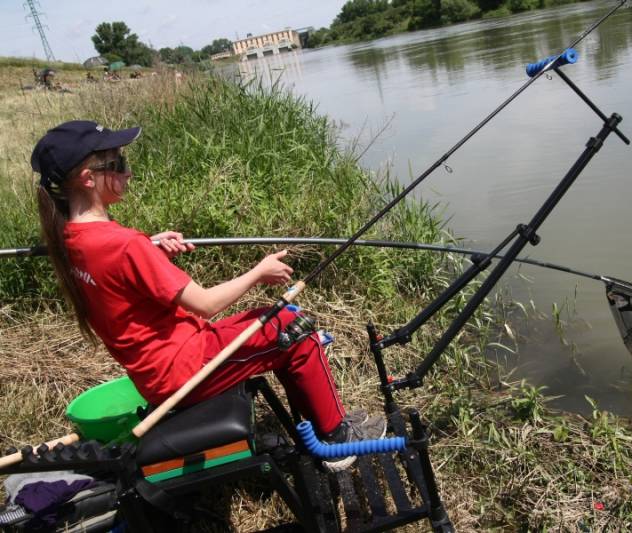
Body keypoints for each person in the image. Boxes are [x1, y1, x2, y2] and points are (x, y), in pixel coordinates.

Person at [30, 120, 384, 471]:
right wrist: (259, 273)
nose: (128, 172)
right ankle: (337, 440)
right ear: (87, 179)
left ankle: (318, 425)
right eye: (118, 164)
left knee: (281, 322)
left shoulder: (69, 239)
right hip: (183, 370)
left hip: (158, 371)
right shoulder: (124, 245)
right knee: (296, 329)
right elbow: (205, 304)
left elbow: (112, 272)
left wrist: (149, 248)